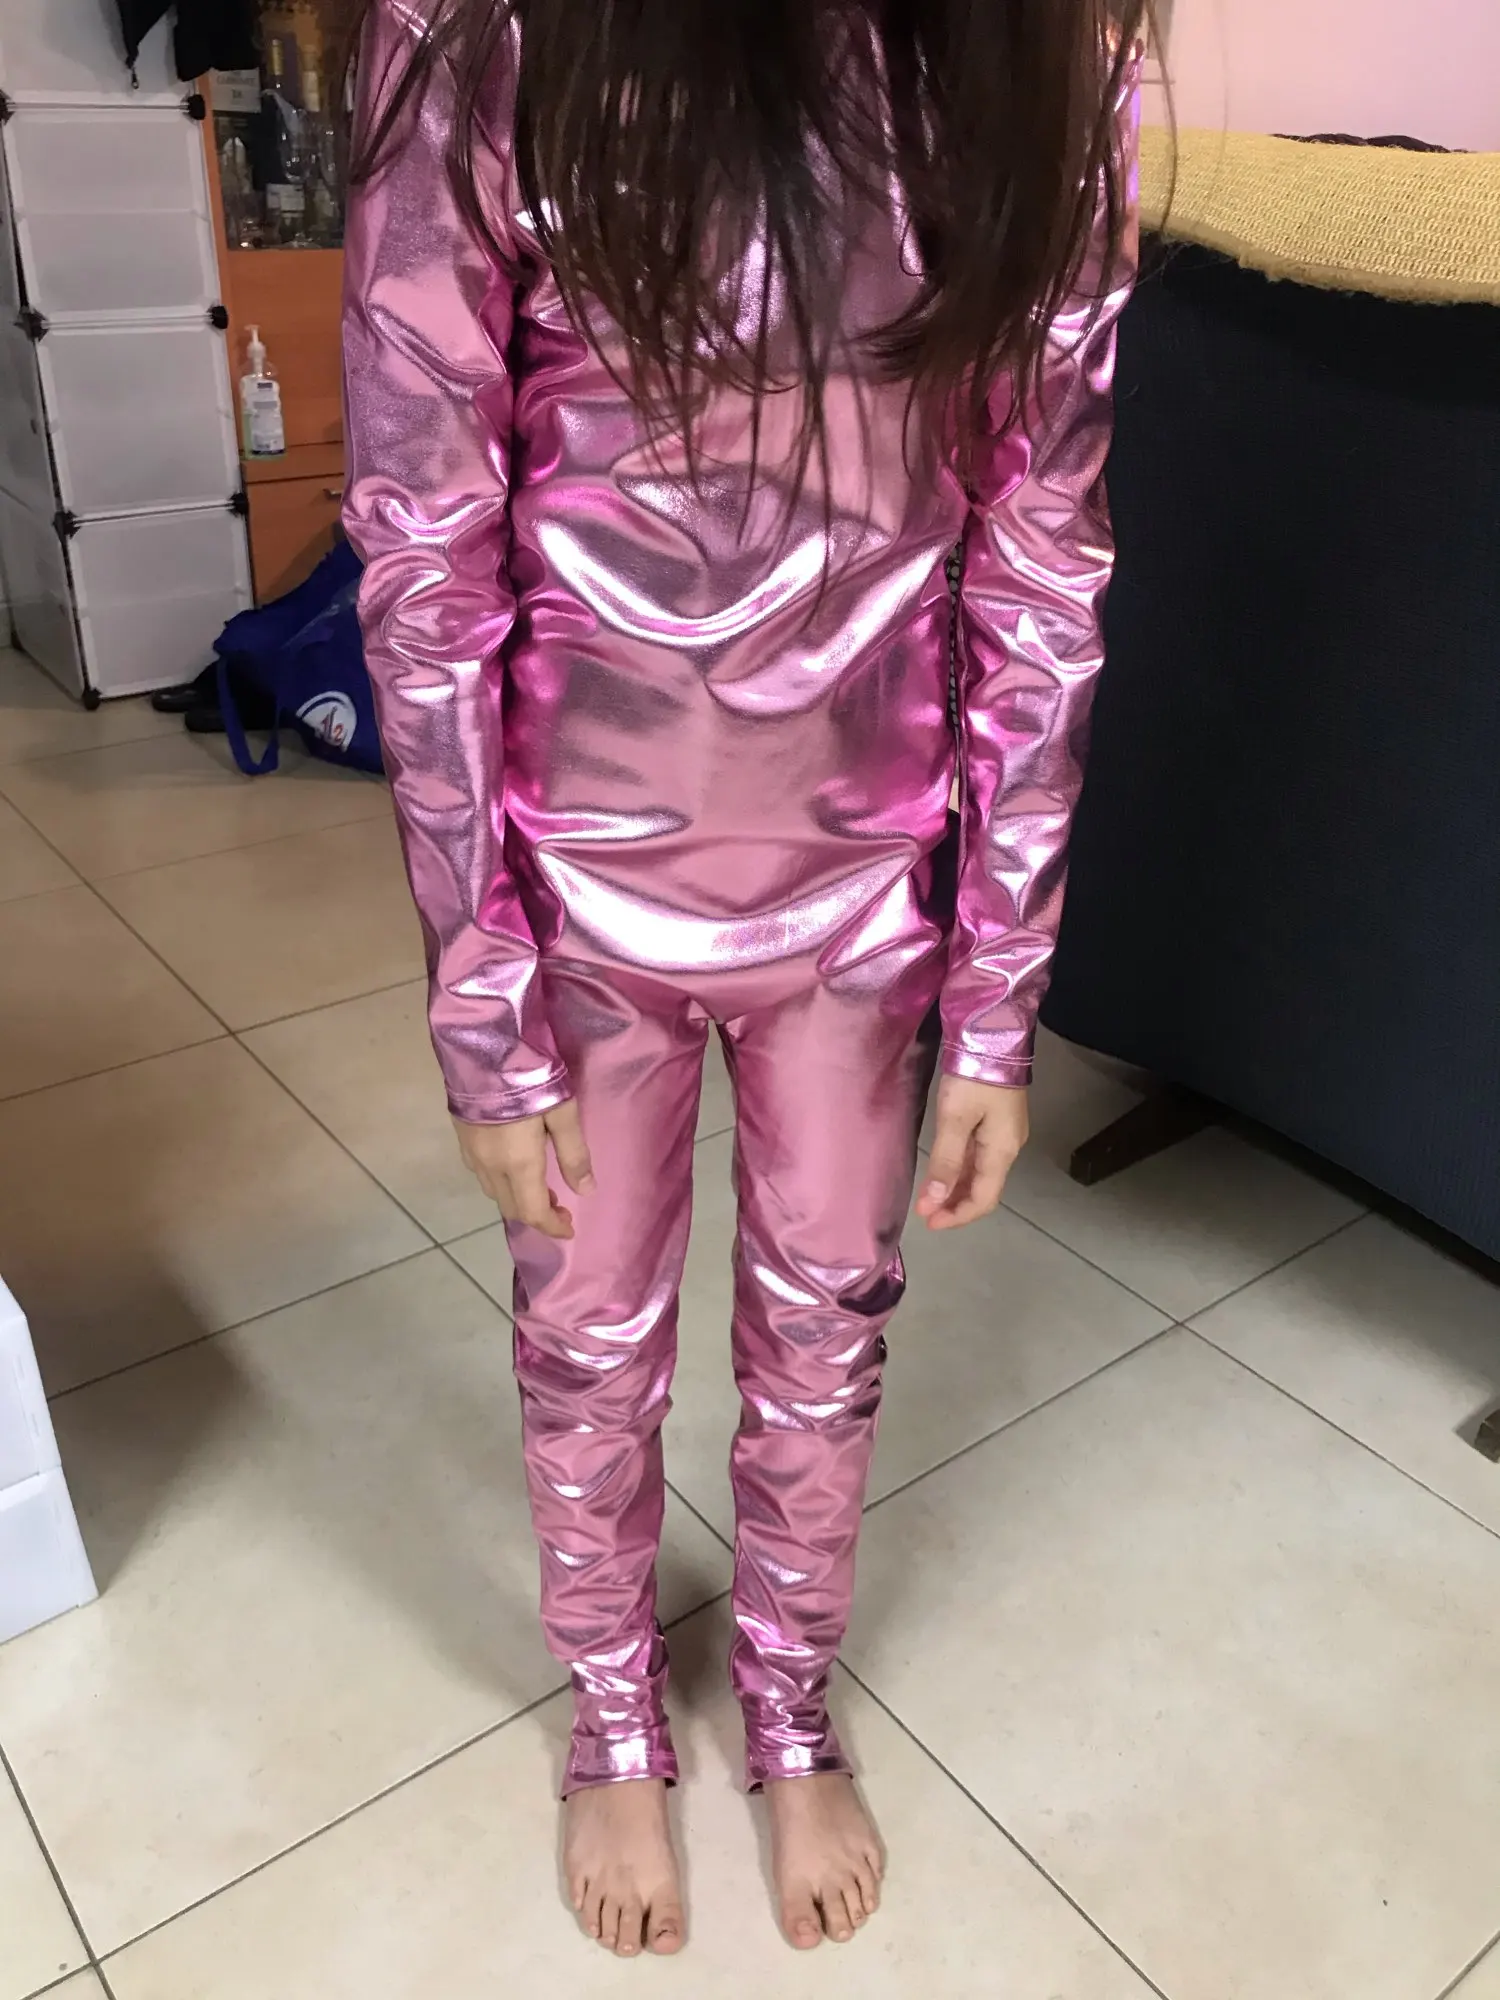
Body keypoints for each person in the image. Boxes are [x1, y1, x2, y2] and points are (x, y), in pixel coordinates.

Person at [341, 0, 1144, 1961]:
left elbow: (1042, 553)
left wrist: (998, 992)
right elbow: (427, 539)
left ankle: (786, 1696)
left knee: (830, 1318)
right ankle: (616, 1709)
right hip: (577, 882)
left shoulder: (1041, 51)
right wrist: (481, 995)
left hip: (863, 890)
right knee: (587, 1332)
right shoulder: (486, 24)